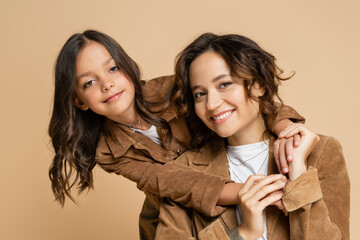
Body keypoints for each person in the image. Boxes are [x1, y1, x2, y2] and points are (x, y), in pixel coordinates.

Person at [48, 30, 305, 239]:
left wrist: (286, 128)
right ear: (80, 101)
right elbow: (171, 182)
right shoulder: (107, 151)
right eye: (89, 83)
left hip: (230, 176)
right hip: (173, 212)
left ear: (128, 67)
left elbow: (240, 100)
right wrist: (254, 193)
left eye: (113, 68)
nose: (107, 83)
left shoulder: (173, 89)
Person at [155, 33, 350, 239]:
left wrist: (299, 174)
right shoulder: (185, 169)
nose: (211, 104)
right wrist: (241, 234)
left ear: (259, 85)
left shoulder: (321, 152)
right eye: (200, 94)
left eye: (224, 84)